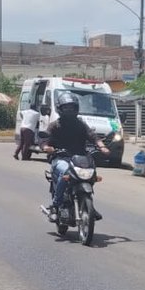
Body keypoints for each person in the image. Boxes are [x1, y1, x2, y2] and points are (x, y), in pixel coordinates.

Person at [40, 91, 106, 222]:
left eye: (72, 108)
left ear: (76, 109)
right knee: (65, 172)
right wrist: (46, 147)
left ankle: (89, 205)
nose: (69, 110)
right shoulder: (55, 125)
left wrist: (102, 146)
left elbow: (92, 135)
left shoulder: (80, 124)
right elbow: (44, 139)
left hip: (79, 158)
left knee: (90, 171)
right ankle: (55, 205)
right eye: (66, 108)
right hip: (60, 158)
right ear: (60, 109)